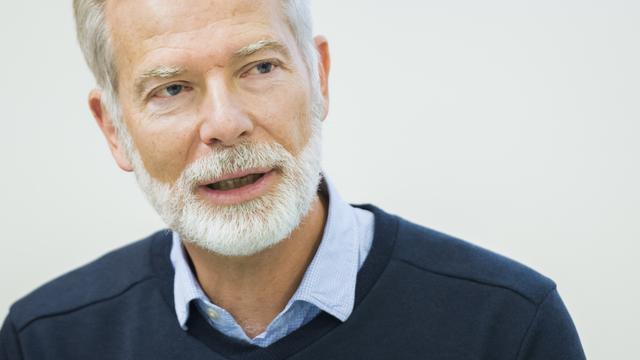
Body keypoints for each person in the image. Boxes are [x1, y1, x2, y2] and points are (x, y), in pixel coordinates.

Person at [0, 0, 586, 359]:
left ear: (320, 77)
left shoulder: (507, 326)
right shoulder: (46, 340)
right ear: (113, 128)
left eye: (260, 67)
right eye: (172, 89)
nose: (226, 125)